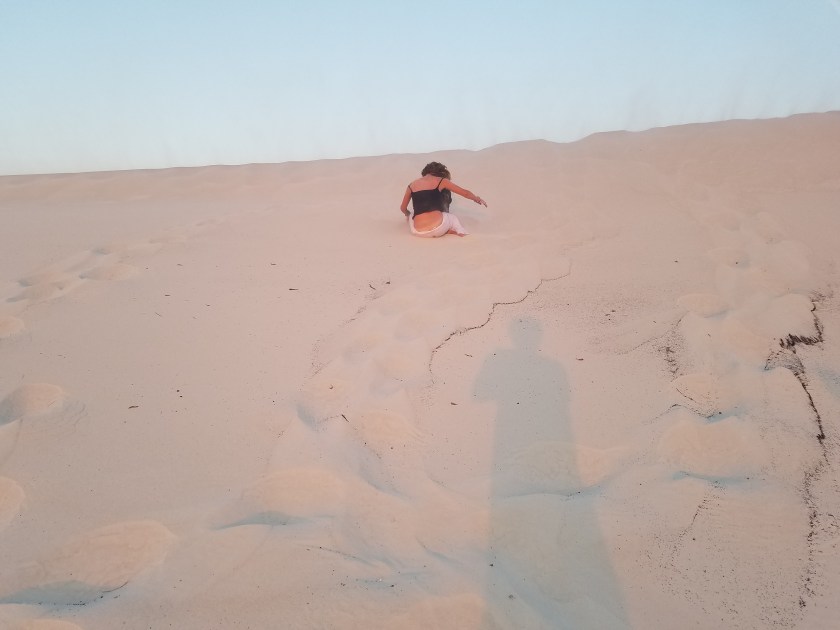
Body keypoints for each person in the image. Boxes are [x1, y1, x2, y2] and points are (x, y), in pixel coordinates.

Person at [399, 162, 487, 237]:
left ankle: (443, 231)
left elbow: (403, 208)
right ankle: (461, 231)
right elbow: (465, 193)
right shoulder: (441, 181)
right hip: (438, 228)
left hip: (418, 232)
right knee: (452, 217)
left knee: (411, 214)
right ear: (440, 172)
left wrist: (407, 214)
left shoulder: (411, 185)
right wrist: (476, 198)